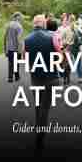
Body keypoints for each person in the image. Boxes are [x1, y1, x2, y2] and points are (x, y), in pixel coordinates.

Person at [24, 15, 61, 152]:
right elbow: (59, 55)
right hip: (51, 78)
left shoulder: (27, 40)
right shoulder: (52, 37)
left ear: (34, 24)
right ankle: (40, 135)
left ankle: (38, 129)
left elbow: (25, 59)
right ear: (43, 24)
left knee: (38, 106)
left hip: (36, 78)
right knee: (45, 108)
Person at [3, 12, 24, 83]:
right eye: (20, 17)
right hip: (16, 48)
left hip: (9, 48)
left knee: (10, 63)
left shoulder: (8, 25)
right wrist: (20, 49)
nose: (21, 18)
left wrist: (5, 49)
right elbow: (19, 39)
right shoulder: (19, 26)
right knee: (16, 63)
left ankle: (10, 77)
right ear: (17, 17)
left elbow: (5, 37)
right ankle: (17, 76)